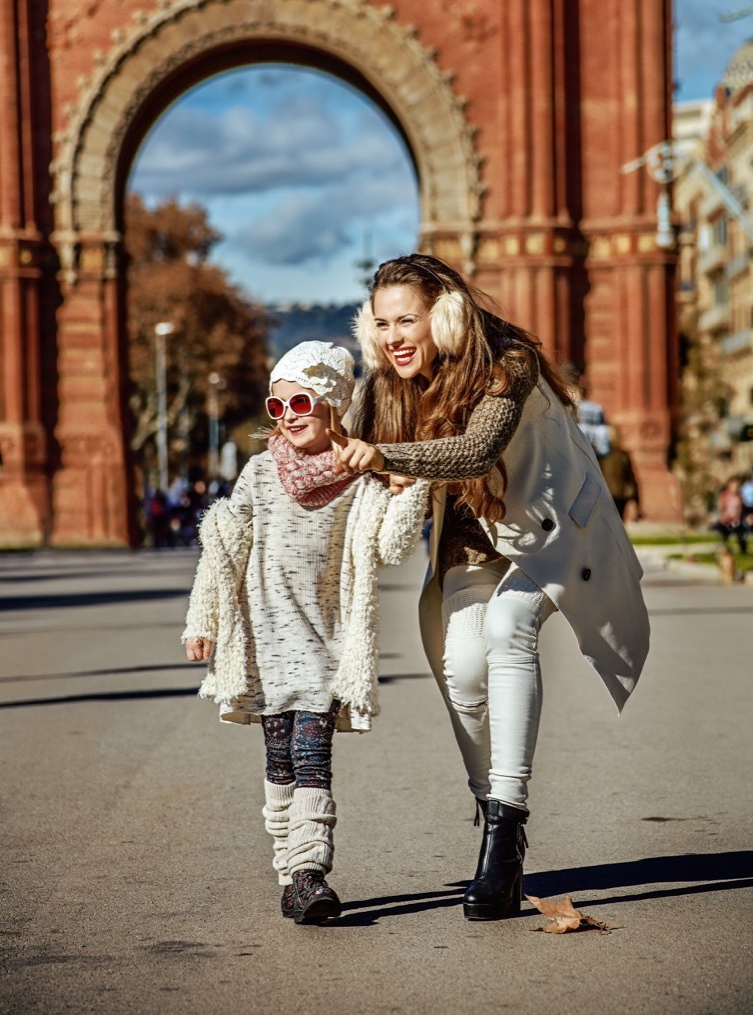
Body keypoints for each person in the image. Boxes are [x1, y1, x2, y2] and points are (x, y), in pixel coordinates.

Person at [330, 254, 650, 921]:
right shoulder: (388, 383)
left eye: (407, 320)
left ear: (443, 313)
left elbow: (474, 451)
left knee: (507, 631)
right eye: (382, 324)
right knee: (461, 669)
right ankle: (492, 812)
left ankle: (503, 832)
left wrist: (386, 456)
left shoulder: (508, 363)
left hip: (550, 531)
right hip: (468, 538)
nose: (393, 337)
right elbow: (339, 447)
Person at [182, 341, 428, 925]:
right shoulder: (261, 471)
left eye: (300, 401)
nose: (288, 414)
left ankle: (310, 871)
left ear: (332, 407)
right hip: (263, 647)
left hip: (325, 647)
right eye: (277, 404)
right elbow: (221, 548)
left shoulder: (357, 477)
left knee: (311, 758)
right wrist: (203, 621)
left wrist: (410, 485)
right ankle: (289, 872)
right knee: (280, 764)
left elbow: (391, 548)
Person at [599, 425, 640, 521]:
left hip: (608, 493)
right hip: (620, 493)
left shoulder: (603, 455)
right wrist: (636, 497)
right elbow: (630, 476)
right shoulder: (623, 455)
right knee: (618, 522)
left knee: (608, 522)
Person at [712, 477, 747, 555]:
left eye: (737, 485)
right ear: (729, 485)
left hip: (736, 521)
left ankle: (743, 551)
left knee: (741, 535)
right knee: (724, 537)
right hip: (726, 520)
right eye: (734, 485)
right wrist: (724, 516)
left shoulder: (739, 496)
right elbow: (720, 507)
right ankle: (722, 550)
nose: (736, 487)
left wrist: (739, 517)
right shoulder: (724, 495)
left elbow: (741, 508)